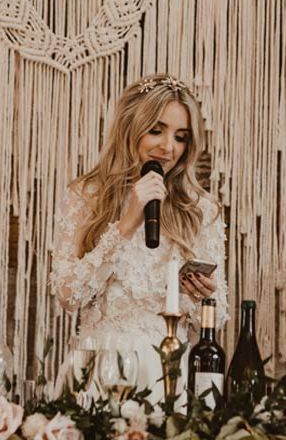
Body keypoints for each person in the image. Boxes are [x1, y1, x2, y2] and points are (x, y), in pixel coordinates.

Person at [50, 73, 228, 404]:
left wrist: (201, 297)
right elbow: (68, 295)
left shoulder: (200, 209)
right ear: (131, 127)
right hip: (101, 371)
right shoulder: (86, 196)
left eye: (181, 137)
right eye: (157, 130)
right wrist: (126, 224)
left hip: (169, 376)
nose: (168, 147)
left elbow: (216, 318)